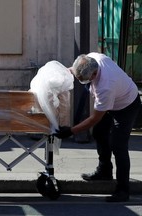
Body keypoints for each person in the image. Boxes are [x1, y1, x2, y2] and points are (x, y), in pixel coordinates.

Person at [54, 52, 141, 202]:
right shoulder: (92, 58)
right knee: (100, 133)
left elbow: (94, 118)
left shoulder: (105, 87)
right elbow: (76, 69)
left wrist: (70, 131)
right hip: (114, 100)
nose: (82, 81)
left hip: (126, 106)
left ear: (94, 75)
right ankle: (105, 171)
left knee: (118, 145)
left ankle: (123, 190)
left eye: (84, 80)